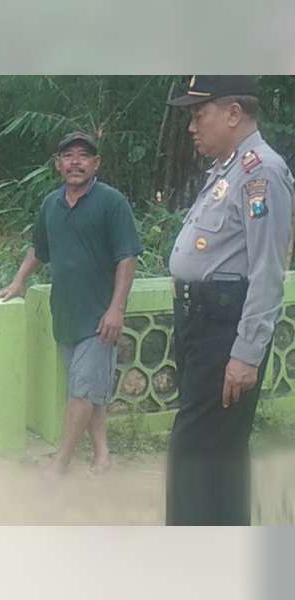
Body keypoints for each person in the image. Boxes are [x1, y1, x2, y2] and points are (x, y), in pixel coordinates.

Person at [165, 75, 295, 525]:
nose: (191, 128)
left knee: (196, 452)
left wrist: (246, 353)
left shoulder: (261, 171)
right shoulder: (229, 169)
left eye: (199, 115)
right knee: (212, 456)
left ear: (234, 113)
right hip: (201, 325)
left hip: (224, 328)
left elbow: (266, 271)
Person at [0, 131, 142, 476]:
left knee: (81, 392)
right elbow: (39, 250)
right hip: (65, 314)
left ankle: (60, 462)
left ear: (96, 163)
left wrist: (116, 308)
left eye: (83, 156)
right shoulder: (50, 204)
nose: (76, 162)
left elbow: (127, 257)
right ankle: (103, 454)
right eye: (68, 156)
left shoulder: (112, 202)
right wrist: (18, 282)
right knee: (88, 391)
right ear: (58, 165)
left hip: (100, 318)